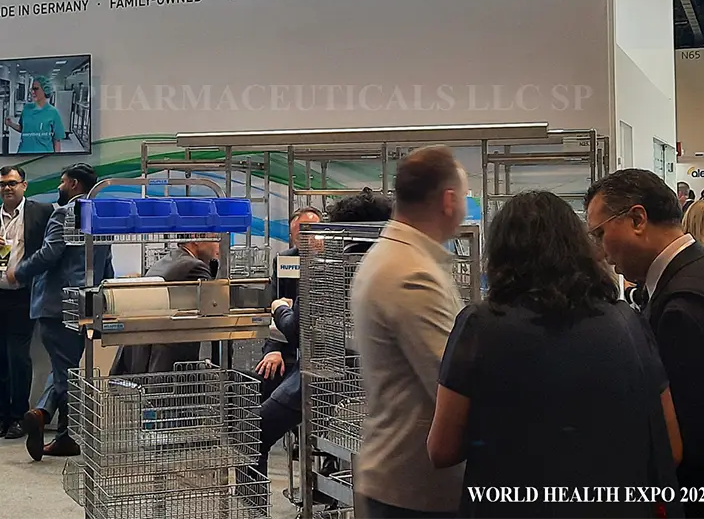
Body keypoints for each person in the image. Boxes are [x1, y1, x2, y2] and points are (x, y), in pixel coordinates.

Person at [427, 191, 682, 518]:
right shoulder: (627, 322)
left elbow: (442, 449)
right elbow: (670, 447)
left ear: (501, 255)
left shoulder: (480, 327)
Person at [586, 169, 704, 517]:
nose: (601, 253)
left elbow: (691, 439)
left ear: (637, 219)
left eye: (601, 233)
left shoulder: (684, 307)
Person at [351, 145, 468, 519]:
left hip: (403, 483)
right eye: (464, 196)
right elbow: (452, 381)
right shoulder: (411, 274)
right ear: (448, 201)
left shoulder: (396, 257)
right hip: (415, 491)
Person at [255, 190, 392, 477]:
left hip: (323, 376)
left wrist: (280, 309)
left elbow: (297, 329)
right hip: (379, 382)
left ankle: (259, 501)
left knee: (252, 434)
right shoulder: (394, 264)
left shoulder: (327, 267)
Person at [11, 164, 113, 461]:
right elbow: (106, 264)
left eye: (62, 181)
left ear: (74, 184)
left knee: (66, 372)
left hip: (57, 305)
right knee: (66, 367)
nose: (59, 185)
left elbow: (50, 253)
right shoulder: (101, 216)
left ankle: (65, 434)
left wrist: (19, 271)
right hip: (88, 304)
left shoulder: (63, 213)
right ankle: (44, 414)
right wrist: (107, 300)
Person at [0, 166, 54, 440]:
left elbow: (51, 252)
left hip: (22, 297)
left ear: (24, 186)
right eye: (3, 184)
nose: (7, 188)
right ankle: (0, 417)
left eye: (12, 183)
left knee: (18, 359)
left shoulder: (42, 212)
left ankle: (19, 417)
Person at [109, 239, 221, 375]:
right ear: (196, 237)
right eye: (215, 238)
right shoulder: (194, 267)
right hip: (163, 364)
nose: (219, 244)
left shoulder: (168, 260)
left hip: (137, 358)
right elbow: (215, 307)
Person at [5, 76, 65, 154]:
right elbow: (23, 129)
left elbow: (57, 140)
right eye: (32, 89)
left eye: (36, 89)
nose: (33, 92)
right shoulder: (26, 109)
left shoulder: (53, 113)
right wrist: (11, 124)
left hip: (43, 156)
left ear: (45, 90)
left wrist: (55, 159)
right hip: (23, 154)